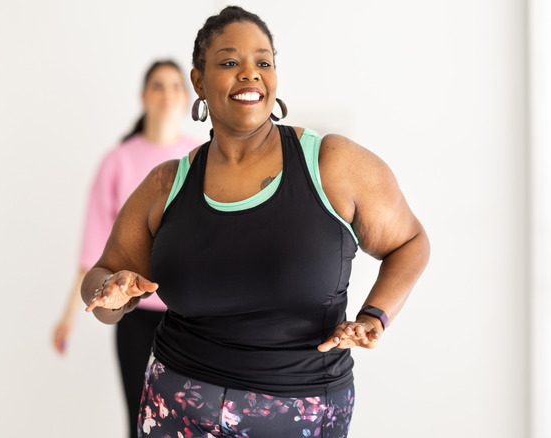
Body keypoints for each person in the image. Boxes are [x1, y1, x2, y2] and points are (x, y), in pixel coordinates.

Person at [82, 6, 429, 438]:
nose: (251, 74)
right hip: (176, 410)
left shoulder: (332, 164)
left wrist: (375, 316)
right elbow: (103, 275)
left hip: (300, 411)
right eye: (230, 62)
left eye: (263, 62)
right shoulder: (165, 184)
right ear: (199, 82)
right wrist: (111, 291)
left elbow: (410, 241)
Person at [52, 59, 201, 438]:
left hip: (192, 318)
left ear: (187, 96)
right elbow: (93, 252)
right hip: (134, 320)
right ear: (142, 96)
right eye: (157, 86)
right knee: (141, 422)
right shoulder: (118, 161)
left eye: (174, 86)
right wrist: (68, 315)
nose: (167, 94)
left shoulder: (202, 158)